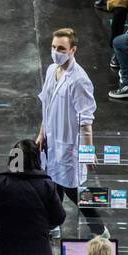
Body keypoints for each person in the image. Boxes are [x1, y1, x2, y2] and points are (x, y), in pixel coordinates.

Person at [37, 28, 97, 215]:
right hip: (51, 142)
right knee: (53, 185)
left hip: (69, 145)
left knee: (74, 191)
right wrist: (41, 133)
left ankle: (100, 230)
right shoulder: (51, 71)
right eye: (54, 47)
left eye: (61, 49)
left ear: (73, 50)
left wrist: (88, 152)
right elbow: (46, 106)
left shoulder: (79, 80)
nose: (56, 52)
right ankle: (53, 225)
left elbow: (86, 120)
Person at [0, 139, 65, 255]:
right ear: (37, 158)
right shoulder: (47, 184)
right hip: (38, 251)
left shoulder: (2, 182)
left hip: (6, 252)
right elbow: (59, 218)